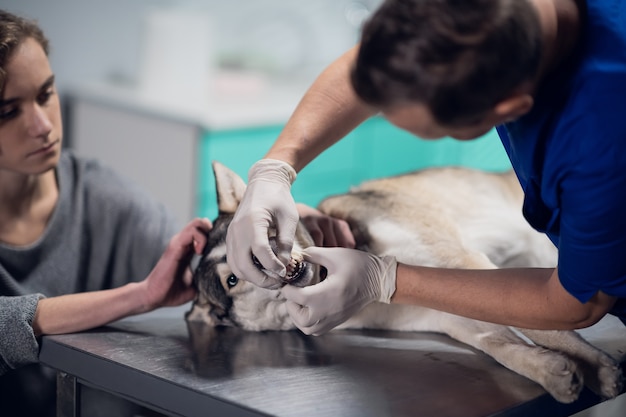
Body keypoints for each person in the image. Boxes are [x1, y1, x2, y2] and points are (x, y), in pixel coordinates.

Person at [0, 9, 354, 416]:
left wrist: (276, 225)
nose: (42, 125)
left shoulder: (100, 194)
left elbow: (207, 258)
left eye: (46, 93)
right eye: (9, 112)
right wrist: (140, 297)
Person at [226, 0, 626, 336]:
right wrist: (276, 167)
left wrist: (386, 279)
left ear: (509, 109)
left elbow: (577, 303)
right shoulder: (479, 22)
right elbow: (373, 69)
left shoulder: (600, 146)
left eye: (428, 131)